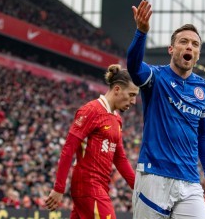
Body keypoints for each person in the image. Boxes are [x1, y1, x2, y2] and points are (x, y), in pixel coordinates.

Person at [127, 0, 205, 219]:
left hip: (190, 180)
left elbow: (204, 132)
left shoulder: (203, 88)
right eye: (183, 42)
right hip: (154, 175)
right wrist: (141, 32)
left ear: (197, 54)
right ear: (171, 49)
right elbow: (134, 68)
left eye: (195, 45)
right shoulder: (156, 77)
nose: (189, 47)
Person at [44, 64, 139, 219]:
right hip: (88, 186)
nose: (134, 101)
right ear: (117, 89)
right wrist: (59, 188)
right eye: (131, 94)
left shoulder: (117, 119)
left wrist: (137, 188)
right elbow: (68, 149)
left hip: (99, 187)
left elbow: (119, 158)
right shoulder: (91, 111)